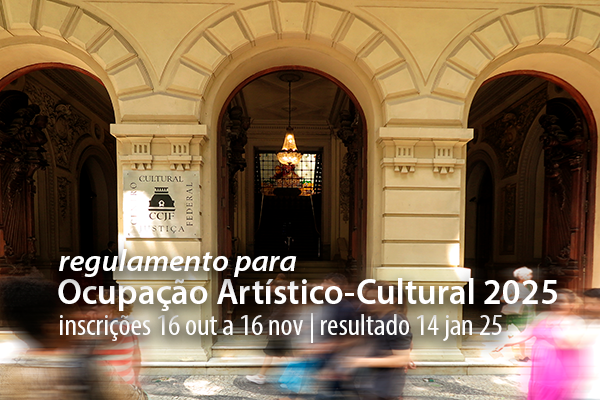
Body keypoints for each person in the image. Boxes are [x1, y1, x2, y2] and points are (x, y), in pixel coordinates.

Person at [0, 276, 148, 399]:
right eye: (69, 314)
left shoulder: (11, 375)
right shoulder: (85, 370)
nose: (79, 316)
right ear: (52, 328)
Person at [495, 289, 584, 400]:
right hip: (539, 368)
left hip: (558, 366)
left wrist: (556, 327)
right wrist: (505, 343)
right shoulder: (543, 315)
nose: (557, 304)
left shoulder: (575, 321)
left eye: (561, 301)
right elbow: (527, 333)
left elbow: (571, 344)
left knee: (553, 393)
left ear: (571, 304)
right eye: (554, 300)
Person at [350, 282, 414, 400]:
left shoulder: (396, 322)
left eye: (375, 299)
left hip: (385, 388)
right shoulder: (374, 319)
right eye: (368, 299)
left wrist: (360, 361)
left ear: (392, 300)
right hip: (370, 384)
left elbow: (401, 359)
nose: (369, 302)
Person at [501, 266, 535, 361]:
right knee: (516, 333)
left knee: (522, 333)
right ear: (522, 276)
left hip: (525, 313)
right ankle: (519, 355)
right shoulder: (512, 286)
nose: (531, 276)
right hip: (515, 314)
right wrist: (516, 299)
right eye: (529, 275)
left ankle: (522, 355)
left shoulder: (529, 286)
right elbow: (503, 299)